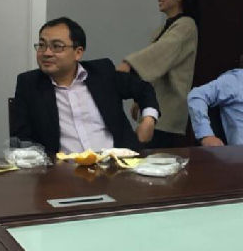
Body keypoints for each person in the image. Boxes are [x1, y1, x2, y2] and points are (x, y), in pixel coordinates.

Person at [13, 17, 159, 154]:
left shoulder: (102, 73)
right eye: (42, 45)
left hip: (117, 163)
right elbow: (22, 139)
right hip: (65, 168)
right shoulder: (29, 84)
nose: (46, 53)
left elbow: (144, 89)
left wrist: (148, 119)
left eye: (56, 46)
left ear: (78, 53)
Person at [116, 0, 199, 148]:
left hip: (168, 107)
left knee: (155, 155)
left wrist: (129, 64)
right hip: (155, 104)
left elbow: (160, 54)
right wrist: (140, 99)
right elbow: (155, 67)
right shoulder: (164, 28)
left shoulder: (186, 25)